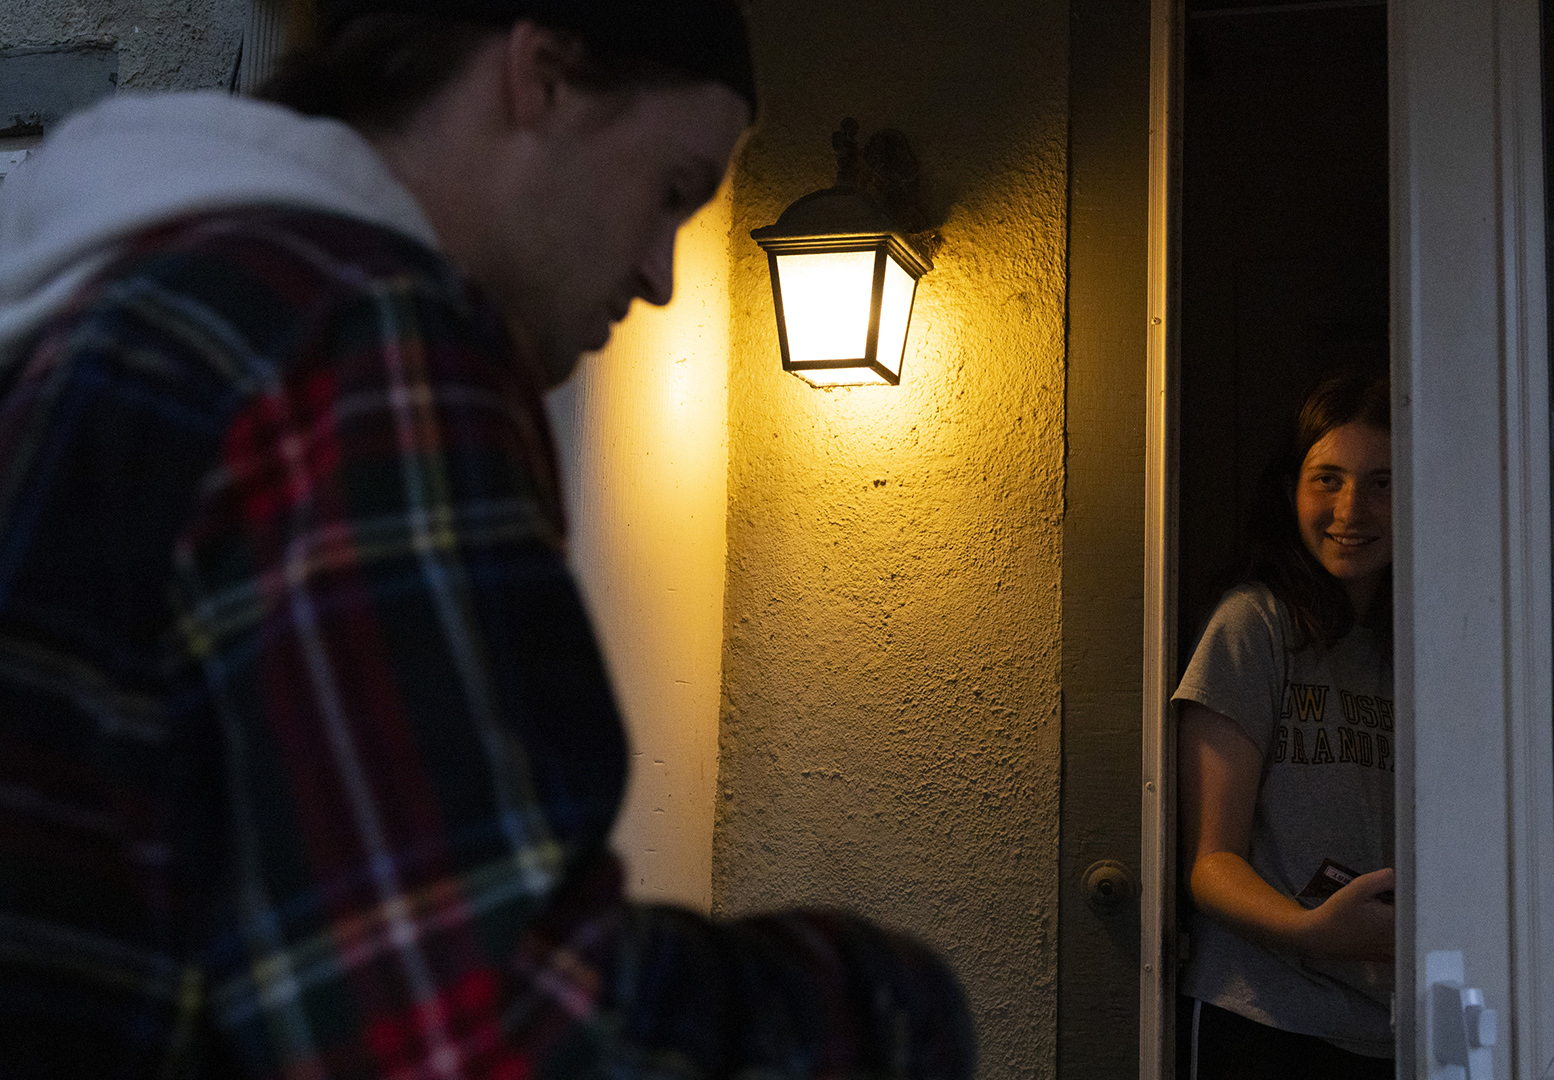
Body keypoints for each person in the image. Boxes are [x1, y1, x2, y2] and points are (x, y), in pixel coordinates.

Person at [0, 2, 973, 1076]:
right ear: (543, 76)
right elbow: (463, 1033)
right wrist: (888, 1005)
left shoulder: (105, 316)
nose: (662, 275)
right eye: (672, 193)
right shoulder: (356, 340)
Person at [1175, 373, 1396, 1079]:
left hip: (1397, 1021)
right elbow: (1211, 864)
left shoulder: (1426, 645)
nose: (1351, 508)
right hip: (1264, 1016)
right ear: (1291, 491)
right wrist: (1314, 931)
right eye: (1327, 478)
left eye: (1382, 481)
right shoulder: (1254, 625)